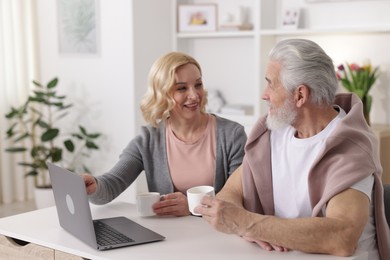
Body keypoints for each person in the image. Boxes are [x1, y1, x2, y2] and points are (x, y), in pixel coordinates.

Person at [195, 39, 390, 259]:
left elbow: (341, 237)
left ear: (300, 95)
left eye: (270, 83)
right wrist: (247, 227)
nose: (264, 94)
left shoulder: (351, 148)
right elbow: (231, 192)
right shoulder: (272, 132)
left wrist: (248, 224)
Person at [82, 52, 247, 217]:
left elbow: (239, 196)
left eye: (198, 85)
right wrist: (93, 186)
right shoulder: (148, 139)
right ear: (162, 93)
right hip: (168, 237)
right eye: (182, 88)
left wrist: (192, 207)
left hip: (217, 235)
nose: (194, 95)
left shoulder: (232, 135)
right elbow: (112, 184)